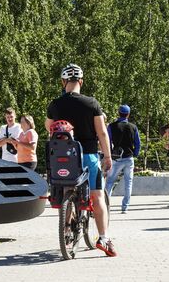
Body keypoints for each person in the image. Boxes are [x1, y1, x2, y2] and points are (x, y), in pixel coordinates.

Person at [45, 63, 116, 257]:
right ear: (81, 82)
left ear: (63, 82)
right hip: (88, 156)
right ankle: (103, 238)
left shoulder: (55, 105)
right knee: (98, 196)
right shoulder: (91, 103)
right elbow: (102, 132)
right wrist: (108, 156)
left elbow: (48, 128)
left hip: (64, 158)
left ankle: (67, 227)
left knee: (69, 188)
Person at [105, 105, 141, 214]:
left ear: (118, 113)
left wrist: (109, 154)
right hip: (129, 158)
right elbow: (137, 143)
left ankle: (105, 205)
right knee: (128, 182)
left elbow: (108, 141)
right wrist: (135, 153)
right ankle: (125, 207)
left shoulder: (112, 126)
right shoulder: (133, 127)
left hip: (116, 158)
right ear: (128, 114)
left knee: (110, 182)